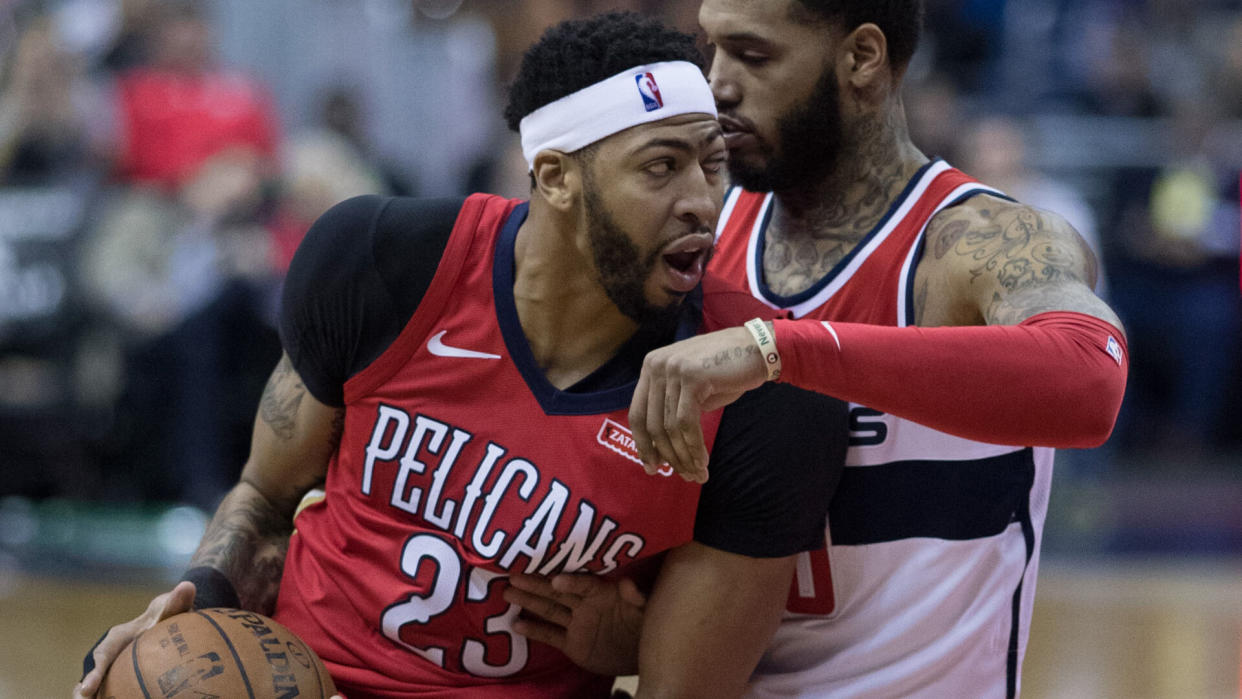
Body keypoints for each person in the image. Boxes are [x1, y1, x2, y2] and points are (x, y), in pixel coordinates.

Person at [74, 12, 847, 699]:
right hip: (308, 674)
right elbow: (267, 496)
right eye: (660, 166)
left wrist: (632, 645)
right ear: (556, 177)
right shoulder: (387, 261)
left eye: (712, 163)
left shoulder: (757, 389)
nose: (702, 201)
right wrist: (193, 604)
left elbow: (690, 688)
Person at [517, 2, 1130, 697]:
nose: (715, 83)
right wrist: (643, 631)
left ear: (862, 58)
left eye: (752, 56)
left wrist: (779, 349)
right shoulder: (698, 245)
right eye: (711, 49)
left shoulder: (977, 242)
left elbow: (1091, 379)